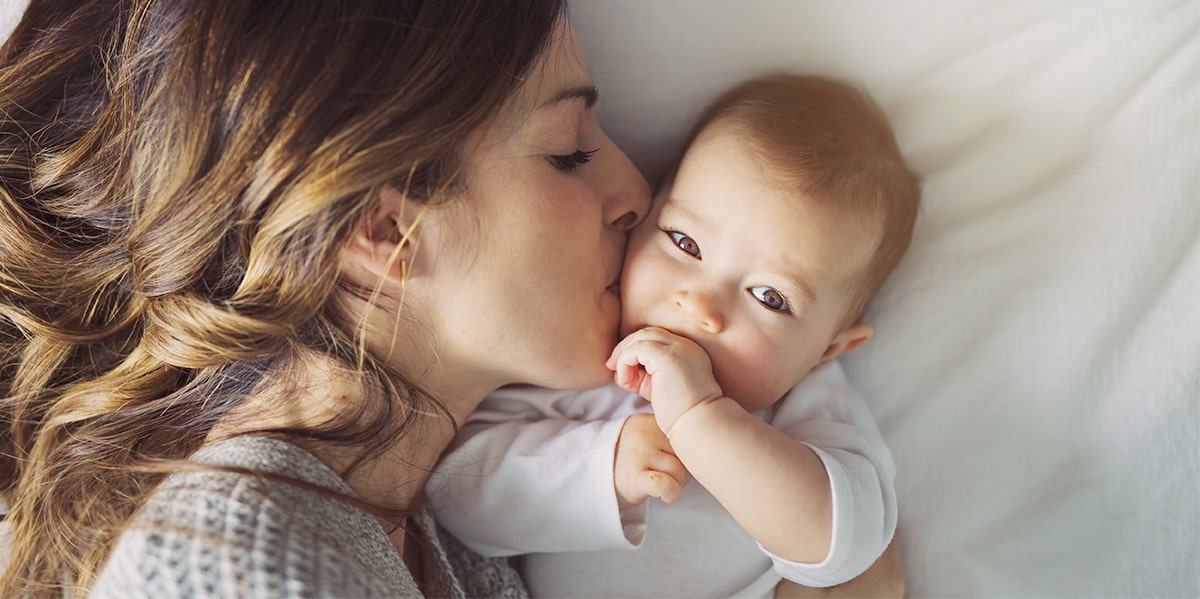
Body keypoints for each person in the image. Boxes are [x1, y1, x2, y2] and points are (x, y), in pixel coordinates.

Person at [0, 0, 653, 596]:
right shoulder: (227, 566)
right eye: (570, 150)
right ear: (382, 230)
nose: (638, 194)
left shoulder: (436, 529)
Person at [428, 74, 921, 597]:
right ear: (639, 224)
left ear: (827, 350)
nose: (700, 304)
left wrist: (701, 419)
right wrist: (603, 468)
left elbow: (849, 543)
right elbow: (456, 498)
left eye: (769, 298)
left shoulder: (810, 407)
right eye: (684, 243)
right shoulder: (578, 362)